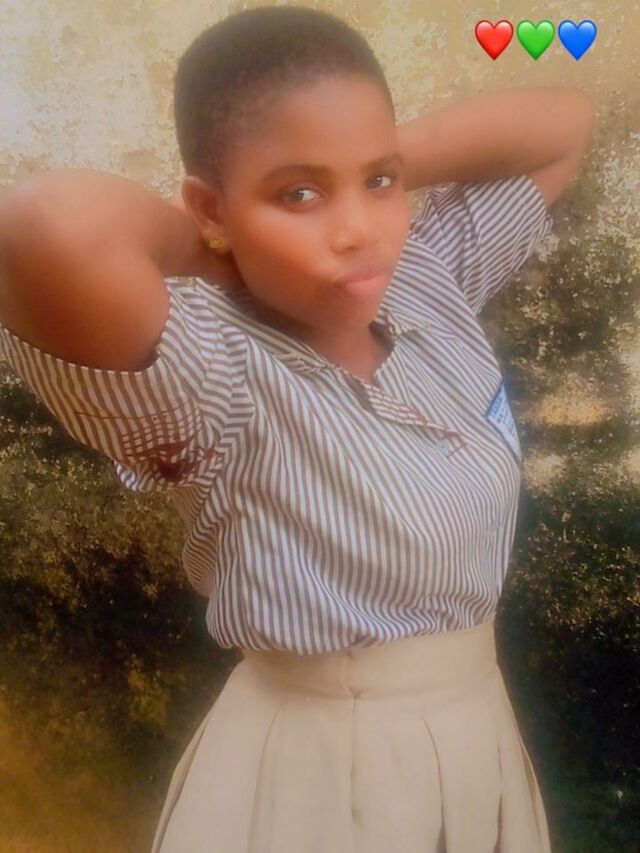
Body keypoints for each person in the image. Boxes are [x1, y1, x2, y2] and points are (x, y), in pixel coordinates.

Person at [0, 6, 594, 852]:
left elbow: (565, 125)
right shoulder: (217, 374)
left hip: (475, 737)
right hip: (320, 774)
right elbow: (39, 225)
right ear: (209, 207)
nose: (357, 232)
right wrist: (223, 245)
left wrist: (367, 161)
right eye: (299, 194)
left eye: (380, 184)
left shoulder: (425, 281)